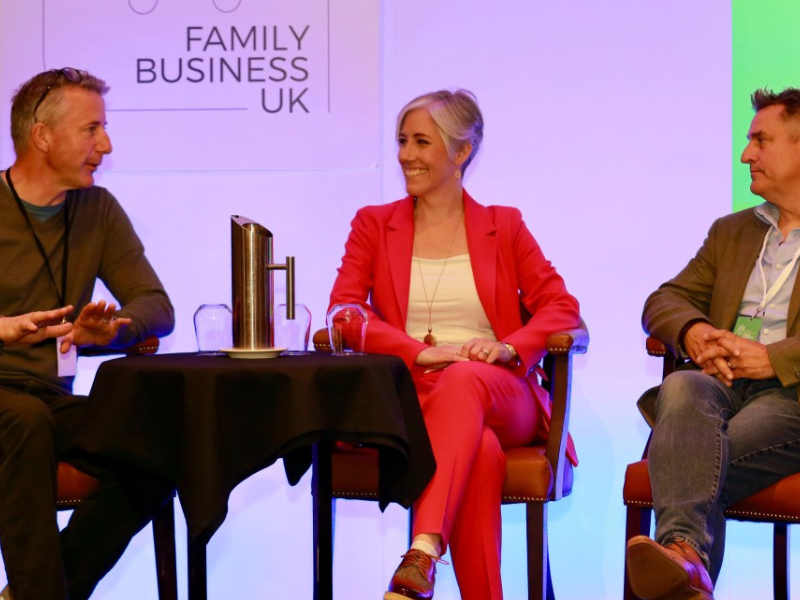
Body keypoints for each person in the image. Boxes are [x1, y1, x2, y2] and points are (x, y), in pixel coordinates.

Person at [328, 89, 580, 600]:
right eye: (402, 141)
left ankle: (423, 550)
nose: (406, 155)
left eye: (422, 142)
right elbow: (343, 313)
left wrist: (510, 347)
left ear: (461, 152)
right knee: (478, 451)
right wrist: (414, 350)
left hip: (500, 391)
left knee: (465, 379)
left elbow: (562, 308)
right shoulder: (374, 224)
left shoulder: (503, 225)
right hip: (414, 396)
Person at [0, 68, 175, 600]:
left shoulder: (97, 209)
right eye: (91, 129)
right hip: (11, 406)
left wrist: (111, 331)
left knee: (161, 447)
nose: (106, 145)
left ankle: (38, 593)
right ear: (42, 136)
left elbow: (156, 305)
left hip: (49, 398)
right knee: (25, 422)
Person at [626, 87, 800, 600]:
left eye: (761, 141)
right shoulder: (733, 231)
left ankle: (683, 556)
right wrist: (694, 332)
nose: (746, 154)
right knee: (683, 385)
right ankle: (687, 560)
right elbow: (664, 299)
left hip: (791, 395)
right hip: (721, 387)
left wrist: (772, 358)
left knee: (690, 464)